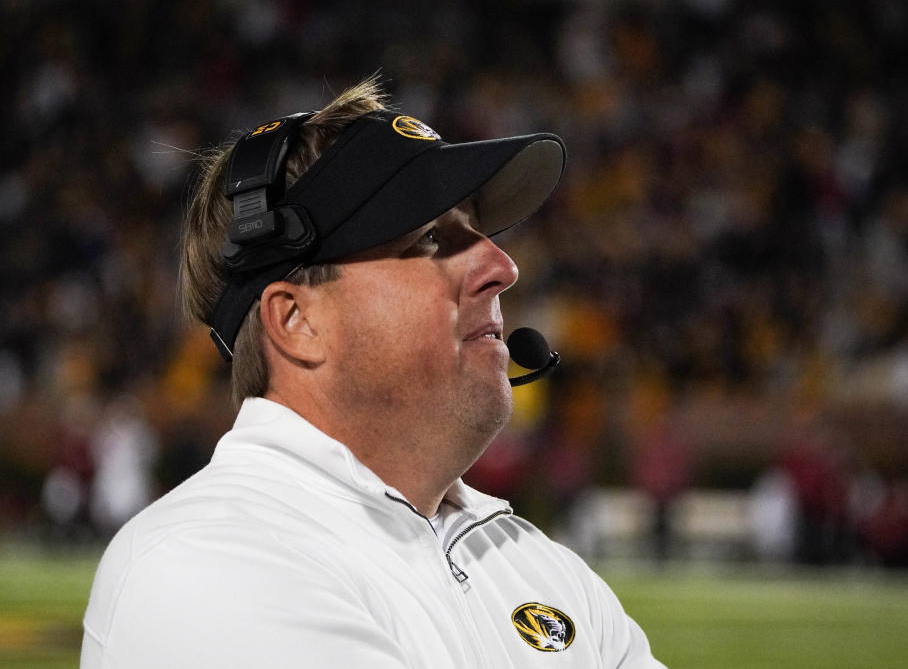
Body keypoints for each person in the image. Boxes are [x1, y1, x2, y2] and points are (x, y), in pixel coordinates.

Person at [80, 77, 665, 668]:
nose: (502, 264)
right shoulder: (203, 559)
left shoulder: (541, 567)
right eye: (430, 238)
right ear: (296, 320)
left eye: (481, 231)